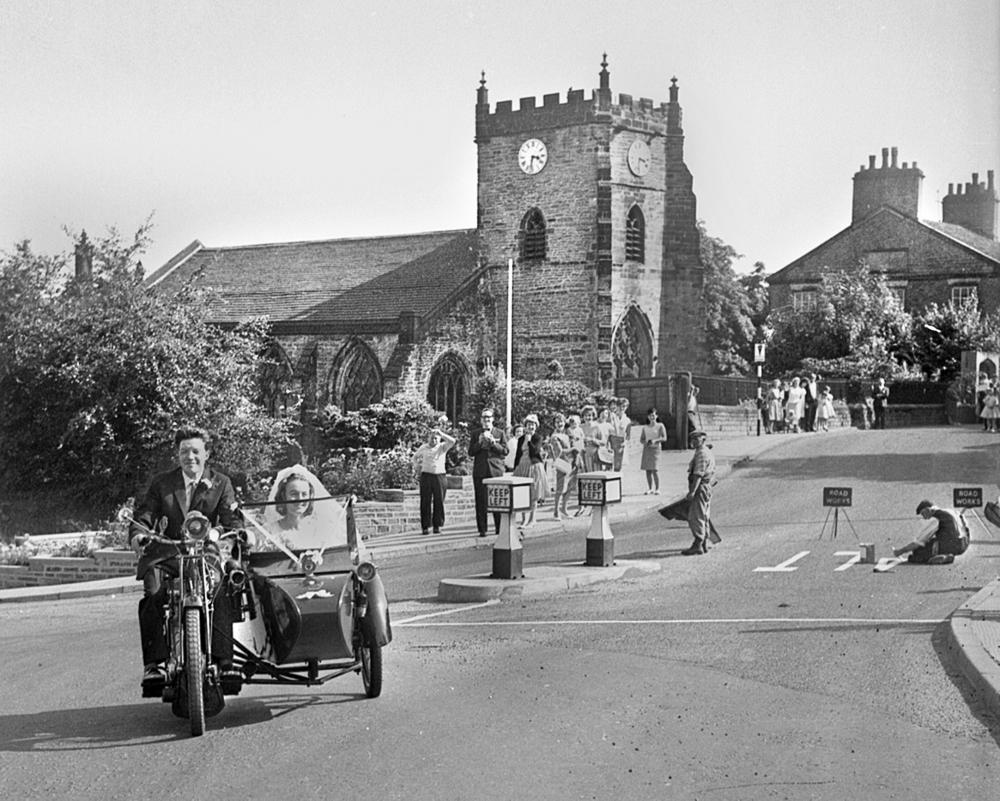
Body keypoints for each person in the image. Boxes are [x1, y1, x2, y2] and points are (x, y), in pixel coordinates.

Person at [128, 426, 241, 690]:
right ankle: (155, 665)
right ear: (177, 455)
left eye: (195, 451)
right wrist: (139, 534)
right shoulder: (162, 484)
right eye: (183, 451)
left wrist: (218, 532)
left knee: (220, 590)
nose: (189, 457)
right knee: (153, 593)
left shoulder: (221, 482)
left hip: (205, 553)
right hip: (167, 552)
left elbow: (231, 519)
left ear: (207, 453)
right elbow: (145, 514)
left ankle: (225, 663)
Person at [263, 464, 346, 551]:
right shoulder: (270, 532)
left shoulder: (321, 530)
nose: (300, 499)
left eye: (304, 494)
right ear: (284, 496)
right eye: (293, 494)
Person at [892, 499, 970, 564]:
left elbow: (919, 542)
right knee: (936, 540)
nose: (924, 517)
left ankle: (945, 556)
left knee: (918, 553)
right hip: (964, 543)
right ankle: (946, 553)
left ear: (928, 510)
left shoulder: (935, 519)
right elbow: (965, 524)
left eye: (923, 514)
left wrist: (900, 551)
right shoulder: (950, 511)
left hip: (952, 545)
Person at [469, 408, 508, 537]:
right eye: (484, 417)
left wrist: (493, 444)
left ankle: (498, 528)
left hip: (495, 471)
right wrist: (480, 443)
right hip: (480, 471)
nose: (486, 420)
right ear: (481, 420)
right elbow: (471, 452)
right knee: (480, 502)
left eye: (489, 417)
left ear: (492, 419)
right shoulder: (475, 434)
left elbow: (505, 451)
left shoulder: (500, 433)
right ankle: (482, 530)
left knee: (497, 501)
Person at [412, 427, 456, 535]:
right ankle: (425, 526)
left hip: (439, 476)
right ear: (428, 438)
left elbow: (453, 441)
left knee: (439, 501)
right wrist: (416, 466)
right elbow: (415, 457)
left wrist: (441, 433)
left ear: (439, 439)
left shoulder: (442, 447)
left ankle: (437, 525)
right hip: (426, 476)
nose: (433, 440)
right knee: (425, 501)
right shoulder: (423, 447)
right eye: (432, 438)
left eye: (436, 438)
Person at [682, 428, 716, 555]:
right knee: (704, 515)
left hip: (700, 487)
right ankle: (704, 543)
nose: (694, 441)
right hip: (705, 486)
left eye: (697, 438)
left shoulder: (702, 454)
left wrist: (692, 492)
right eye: (692, 439)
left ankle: (698, 543)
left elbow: (698, 474)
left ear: (703, 439)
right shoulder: (704, 451)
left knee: (695, 516)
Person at [512, 413, 548, 528]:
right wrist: (515, 467)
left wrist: (529, 441)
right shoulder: (521, 438)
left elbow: (535, 452)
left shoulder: (537, 438)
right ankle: (524, 519)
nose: (530, 427)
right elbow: (518, 453)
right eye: (528, 424)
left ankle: (532, 519)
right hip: (522, 466)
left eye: (533, 425)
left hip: (534, 466)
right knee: (522, 493)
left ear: (536, 426)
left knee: (534, 493)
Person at [547, 413, 573, 519]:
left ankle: (564, 509)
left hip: (570, 461)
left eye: (561, 421)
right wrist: (573, 450)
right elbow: (560, 451)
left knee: (569, 487)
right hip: (561, 463)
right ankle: (556, 511)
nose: (560, 424)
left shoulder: (566, 434)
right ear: (554, 424)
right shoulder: (554, 436)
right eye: (557, 422)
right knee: (560, 488)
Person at [639, 407, 667, 494]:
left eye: (653, 415)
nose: (652, 417)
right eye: (650, 416)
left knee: (655, 469)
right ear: (648, 417)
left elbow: (664, 438)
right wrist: (646, 442)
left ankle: (657, 489)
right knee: (648, 470)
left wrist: (655, 440)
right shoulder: (645, 427)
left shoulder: (660, 425)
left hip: (656, 449)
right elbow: (642, 439)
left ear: (656, 416)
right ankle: (650, 488)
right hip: (647, 449)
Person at [607, 398, 631, 471]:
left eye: (624, 406)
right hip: (611, 441)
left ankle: (618, 481)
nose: (622, 408)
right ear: (616, 406)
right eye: (619, 406)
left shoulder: (627, 420)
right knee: (609, 464)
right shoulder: (611, 416)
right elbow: (606, 431)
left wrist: (625, 442)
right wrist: (607, 443)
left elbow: (628, 435)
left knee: (618, 466)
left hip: (621, 443)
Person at [579, 404, 606, 472]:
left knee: (596, 475)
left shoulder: (597, 427)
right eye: (586, 415)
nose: (588, 417)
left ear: (593, 416)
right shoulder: (580, 427)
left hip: (595, 455)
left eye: (590, 415)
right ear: (583, 416)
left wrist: (592, 440)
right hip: (584, 455)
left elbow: (603, 442)